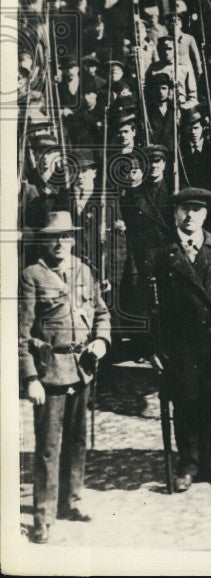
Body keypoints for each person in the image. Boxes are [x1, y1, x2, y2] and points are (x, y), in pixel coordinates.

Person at [145, 187, 211, 492]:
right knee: (185, 402)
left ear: (205, 214)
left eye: (197, 209)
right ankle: (188, 463)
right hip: (180, 343)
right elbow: (150, 306)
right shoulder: (162, 252)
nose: (190, 215)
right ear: (175, 214)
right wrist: (153, 347)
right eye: (184, 209)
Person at [19, 211, 112, 543]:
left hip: (81, 369)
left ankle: (71, 501)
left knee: (77, 440)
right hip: (50, 373)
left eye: (66, 236)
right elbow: (22, 334)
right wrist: (30, 377)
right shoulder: (32, 275)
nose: (60, 243)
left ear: (73, 239)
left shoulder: (84, 270)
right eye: (53, 237)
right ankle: (43, 516)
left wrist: (101, 340)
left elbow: (101, 312)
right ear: (45, 241)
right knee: (48, 447)